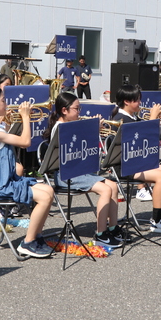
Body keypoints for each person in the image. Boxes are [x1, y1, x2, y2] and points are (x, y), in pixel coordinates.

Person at [0, 85, 55, 258]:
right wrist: (25, 117)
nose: (7, 104)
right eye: (3, 101)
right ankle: (27, 243)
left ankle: (36, 236)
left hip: (7, 180)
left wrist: (7, 120)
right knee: (44, 197)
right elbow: (25, 142)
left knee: (49, 190)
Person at [43, 93, 122, 247]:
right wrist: (91, 129)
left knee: (113, 186)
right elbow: (72, 151)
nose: (79, 112)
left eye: (80, 108)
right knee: (106, 190)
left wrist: (93, 130)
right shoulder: (60, 128)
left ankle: (113, 228)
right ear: (64, 110)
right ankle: (101, 234)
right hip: (66, 174)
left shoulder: (72, 125)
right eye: (76, 109)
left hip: (78, 171)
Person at [112, 85, 161, 234]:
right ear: (126, 101)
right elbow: (140, 139)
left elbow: (149, 140)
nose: (140, 103)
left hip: (138, 162)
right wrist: (152, 119)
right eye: (137, 100)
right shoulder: (120, 120)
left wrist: (156, 121)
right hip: (126, 166)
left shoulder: (134, 117)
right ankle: (157, 220)